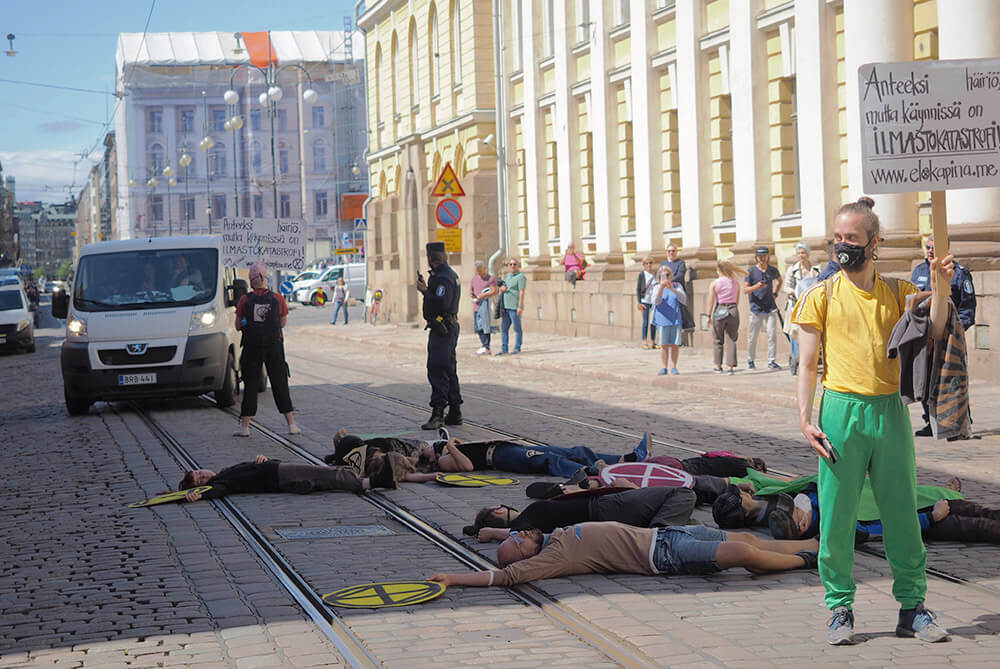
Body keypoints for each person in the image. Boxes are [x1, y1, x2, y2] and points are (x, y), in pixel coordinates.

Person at [793, 196, 954, 645]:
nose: (842, 246)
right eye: (837, 238)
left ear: (874, 243)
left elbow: (936, 327)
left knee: (901, 511)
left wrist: (941, 285)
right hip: (841, 413)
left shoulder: (900, 292)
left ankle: (913, 608)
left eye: (852, 238)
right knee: (838, 516)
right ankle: (840, 607)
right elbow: (807, 365)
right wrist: (806, 419)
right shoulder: (819, 296)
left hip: (889, 411)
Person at [429, 521, 819, 589]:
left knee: (749, 537)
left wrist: (498, 532)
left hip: (667, 533)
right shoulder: (552, 559)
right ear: (525, 558)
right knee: (741, 552)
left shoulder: (552, 537)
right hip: (664, 555)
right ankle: (807, 560)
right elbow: (505, 577)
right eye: (518, 541)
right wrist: (453, 578)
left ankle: (819, 545)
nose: (522, 534)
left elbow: (517, 538)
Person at [910, 235, 976, 437]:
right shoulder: (919, 271)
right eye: (927, 247)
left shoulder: (959, 273)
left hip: (949, 338)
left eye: (934, 247)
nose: (930, 251)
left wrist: (957, 331)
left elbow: (967, 307)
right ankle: (931, 420)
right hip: (924, 336)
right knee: (925, 377)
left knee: (952, 378)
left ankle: (959, 421)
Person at [467, 486, 698, 537]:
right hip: (607, 507)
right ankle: (660, 534)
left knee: (680, 511)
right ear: (499, 511)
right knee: (682, 493)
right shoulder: (526, 518)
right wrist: (491, 532)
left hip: (606, 515)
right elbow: (519, 533)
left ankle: (663, 528)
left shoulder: (529, 518)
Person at [234, 262, 300, 438]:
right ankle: (291, 424)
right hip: (274, 346)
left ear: (250, 280)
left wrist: (250, 322)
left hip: (252, 347)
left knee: (251, 385)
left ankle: (245, 427)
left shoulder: (244, 300)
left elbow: (238, 325)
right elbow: (283, 322)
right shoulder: (278, 298)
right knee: (280, 383)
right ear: (267, 278)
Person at [177, 453, 397, 502]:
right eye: (200, 479)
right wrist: (199, 495)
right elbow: (218, 491)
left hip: (277, 473)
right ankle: (376, 481)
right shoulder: (220, 483)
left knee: (325, 479)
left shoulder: (222, 472)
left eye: (199, 472)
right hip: (280, 474)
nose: (204, 474)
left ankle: (375, 479)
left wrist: (260, 460)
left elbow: (247, 470)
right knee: (325, 473)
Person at [416, 242, 462, 430]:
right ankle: (455, 411)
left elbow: (442, 302)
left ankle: (438, 413)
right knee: (449, 369)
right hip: (447, 326)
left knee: (437, 368)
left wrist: (426, 291)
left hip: (442, 327)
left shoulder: (443, 277)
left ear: (430, 258)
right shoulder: (447, 274)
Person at [782, 242, 821, 376]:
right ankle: (797, 357)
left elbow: (819, 283)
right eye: (799, 253)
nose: (801, 255)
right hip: (795, 304)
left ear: (808, 254)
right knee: (795, 332)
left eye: (803, 253)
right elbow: (785, 287)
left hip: (811, 304)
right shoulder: (792, 270)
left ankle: (812, 356)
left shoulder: (815, 270)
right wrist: (793, 291)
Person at [745, 246, 783, 370]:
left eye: (764, 256)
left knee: (772, 335)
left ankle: (771, 361)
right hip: (756, 308)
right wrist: (756, 287)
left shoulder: (772, 270)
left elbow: (780, 280)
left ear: (768, 257)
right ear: (756, 258)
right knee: (753, 336)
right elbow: (745, 290)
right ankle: (750, 359)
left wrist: (776, 293)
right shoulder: (751, 271)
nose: (762, 259)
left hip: (770, 307)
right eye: (760, 256)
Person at [705, 260, 743, 375]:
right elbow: (737, 301)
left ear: (718, 269)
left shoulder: (715, 283)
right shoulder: (735, 283)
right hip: (733, 310)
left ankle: (718, 365)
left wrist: (708, 315)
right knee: (732, 339)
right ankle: (731, 367)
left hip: (720, 309)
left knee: (718, 339)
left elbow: (711, 301)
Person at [652, 265, 686, 375]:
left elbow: (683, 300)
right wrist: (661, 288)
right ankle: (664, 367)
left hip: (675, 319)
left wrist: (673, 289)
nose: (666, 277)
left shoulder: (677, 286)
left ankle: (674, 366)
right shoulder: (656, 287)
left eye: (668, 275)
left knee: (675, 345)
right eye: (663, 275)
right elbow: (656, 302)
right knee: (664, 345)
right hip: (662, 320)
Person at [498, 257, 526, 355]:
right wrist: (502, 288)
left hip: (514, 306)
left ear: (518, 266)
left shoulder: (521, 277)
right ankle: (504, 348)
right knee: (504, 328)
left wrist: (520, 306)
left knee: (517, 328)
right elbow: (505, 286)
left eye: (515, 264)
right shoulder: (508, 276)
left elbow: (522, 292)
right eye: (510, 264)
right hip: (506, 306)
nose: (512, 266)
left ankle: (517, 347)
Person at [470, 260, 497, 355]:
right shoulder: (474, 279)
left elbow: (494, 291)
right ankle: (483, 345)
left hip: (485, 306)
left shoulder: (490, 279)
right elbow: (471, 290)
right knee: (478, 327)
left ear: (484, 269)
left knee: (485, 326)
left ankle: (486, 346)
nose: (479, 273)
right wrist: (473, 295)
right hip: (476, 305)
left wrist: (484, 295)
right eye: (477, 271)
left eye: (480, 270)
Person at [636, 256, 658, 349]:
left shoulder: (655, 275)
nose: (649, 265)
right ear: (644, 265)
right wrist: (639, 302)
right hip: (644, 301)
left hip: (653, 301)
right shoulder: (642, 274)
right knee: (645, 321)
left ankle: (653, 341)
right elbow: (638, 289)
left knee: (653, 322)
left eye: (650, 263)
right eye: (647, 263)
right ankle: (644, 341)